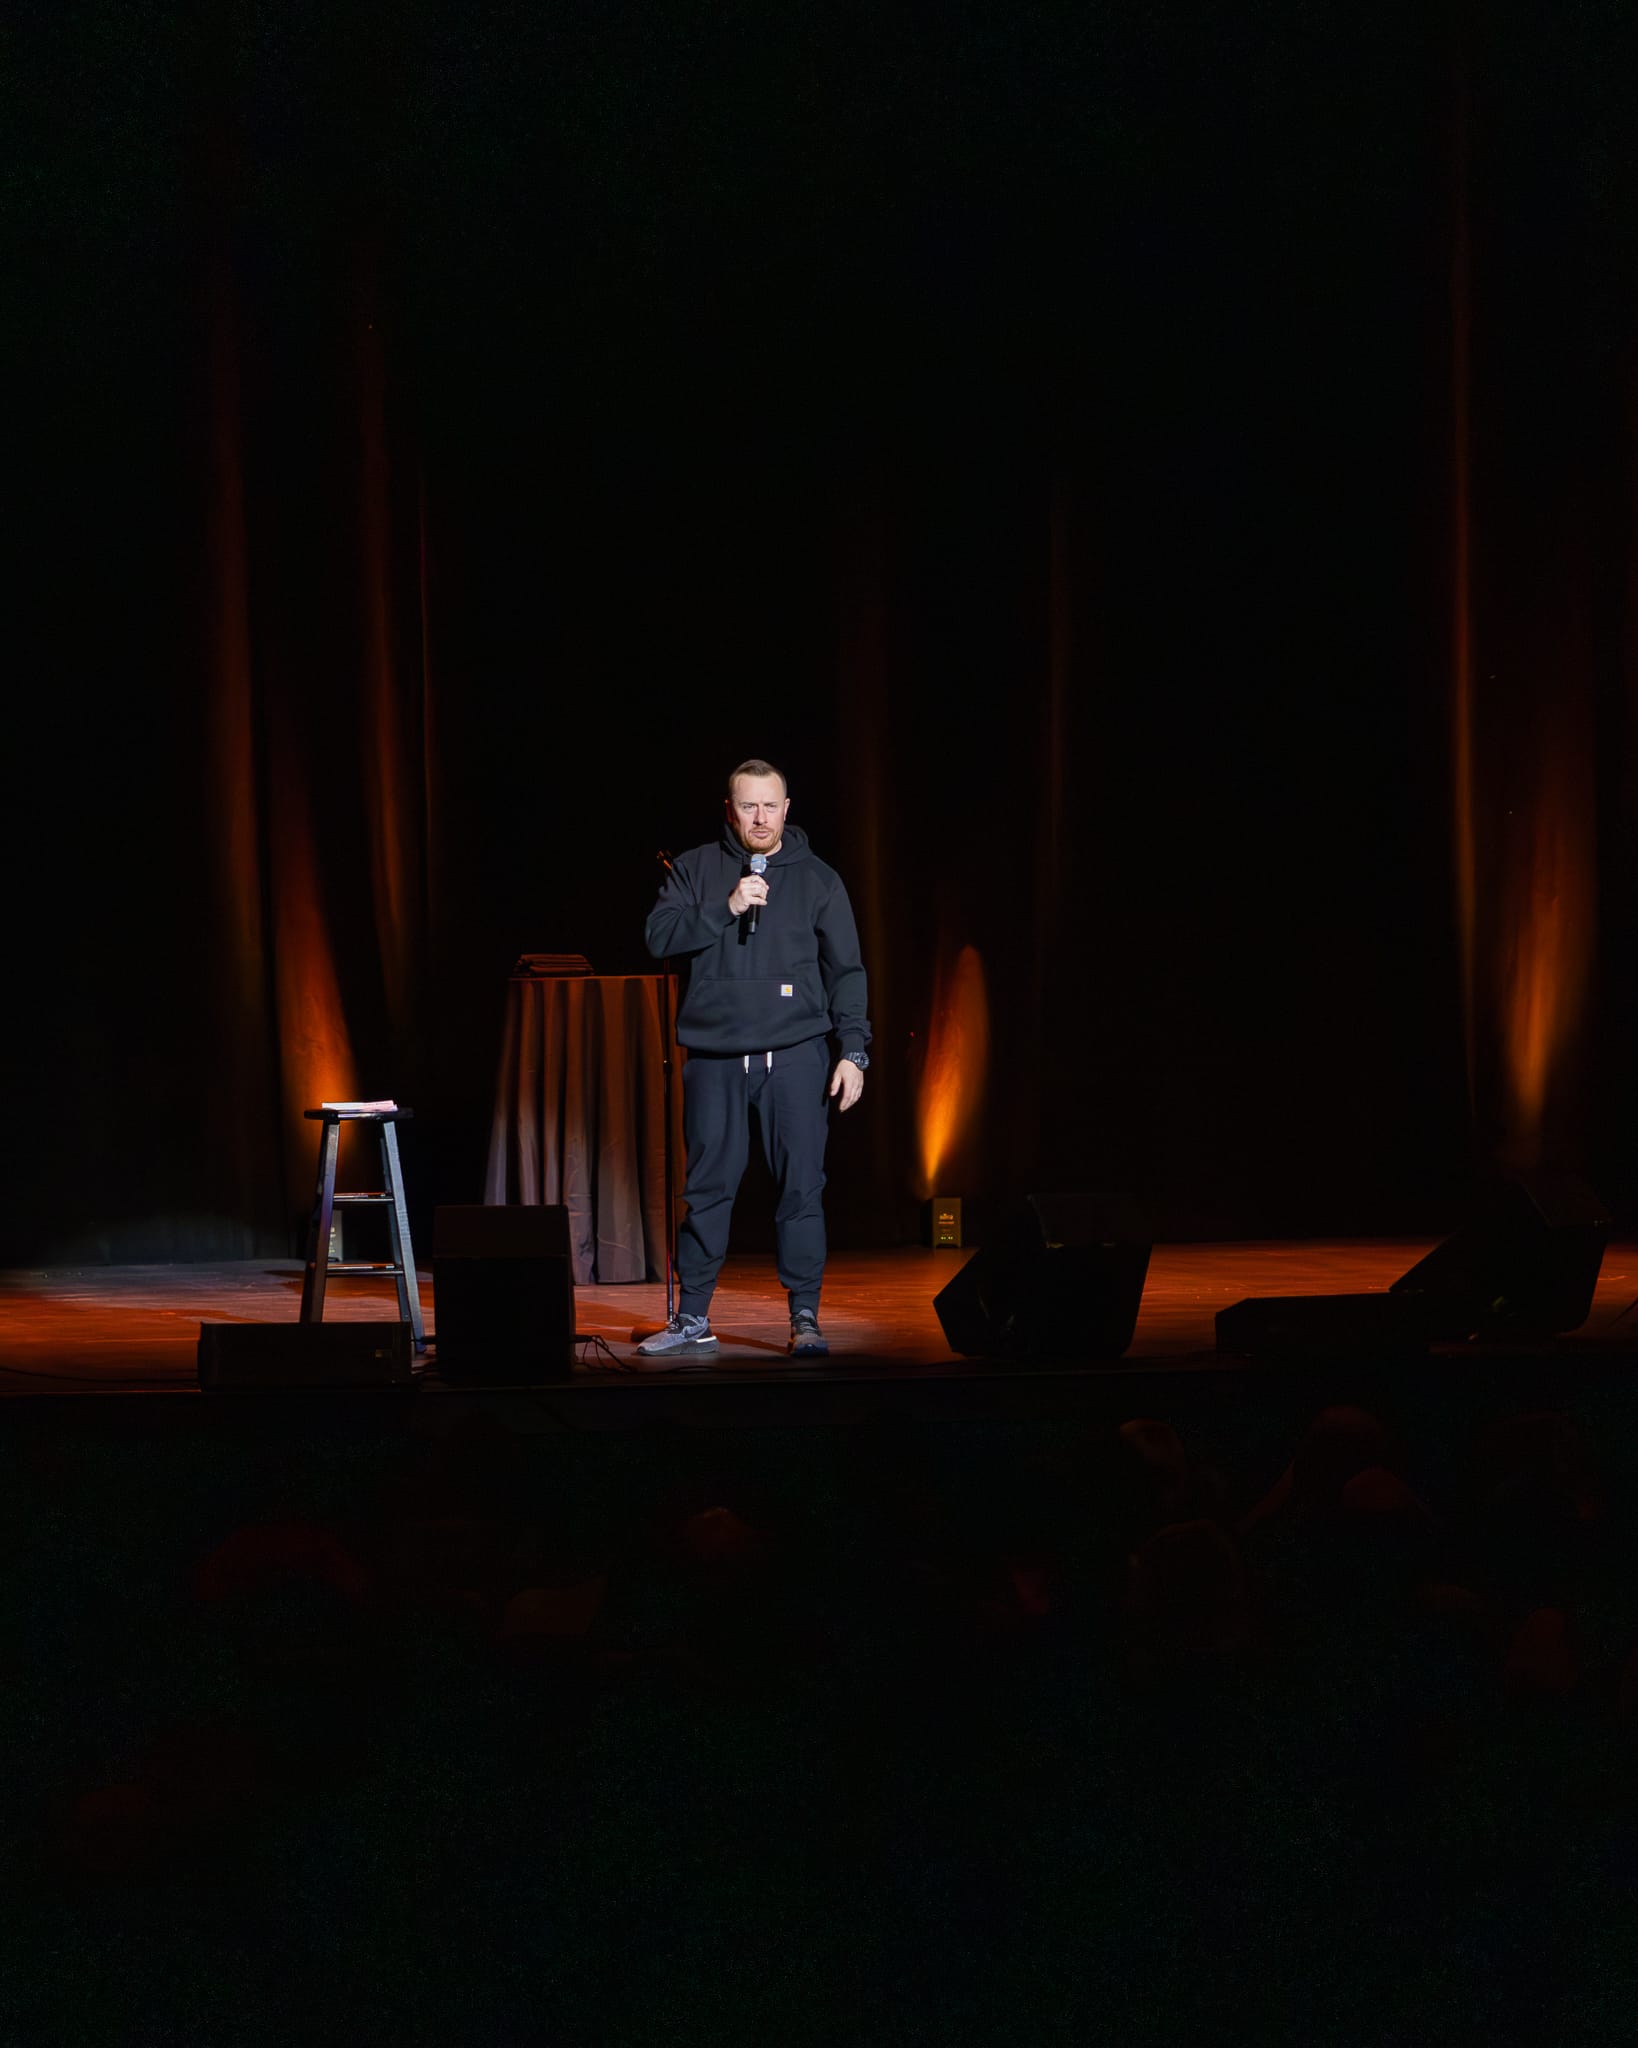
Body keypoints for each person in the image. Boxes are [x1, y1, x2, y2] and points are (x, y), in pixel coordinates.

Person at [637, 759, 871, 1364]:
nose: (761, 818)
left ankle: (804, 1316)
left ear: (787, 809)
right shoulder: (696, 869)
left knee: (802, 1187)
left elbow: (846, 971)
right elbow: (660, 938)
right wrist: (727, 906)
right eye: (748, 807)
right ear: (730, 810)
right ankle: (693, 1317)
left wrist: (853, 1050)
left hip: (795, 1055)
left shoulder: (818, 879)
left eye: (771, 806)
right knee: (707, 1190)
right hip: (715, 1057)